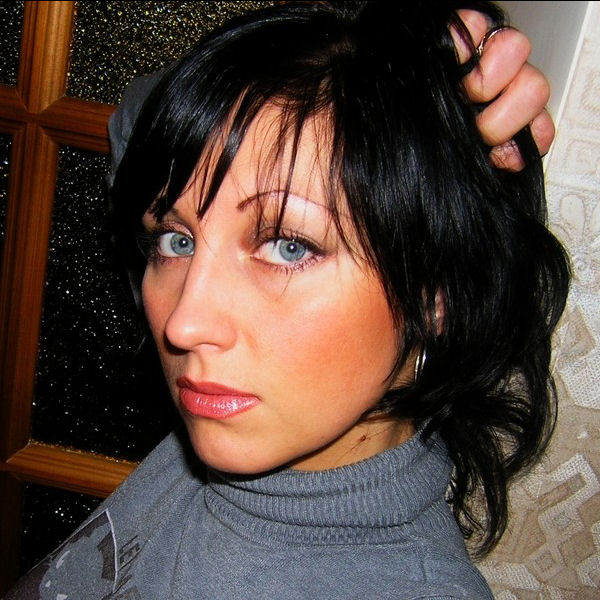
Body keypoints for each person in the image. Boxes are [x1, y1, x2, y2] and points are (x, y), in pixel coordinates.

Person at [5, 1, 569, 598]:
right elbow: (134, 123)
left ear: (438, 295)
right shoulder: (258, 422)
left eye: (288, 246)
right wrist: (418, 63)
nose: (183, 324)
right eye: (177, 240)